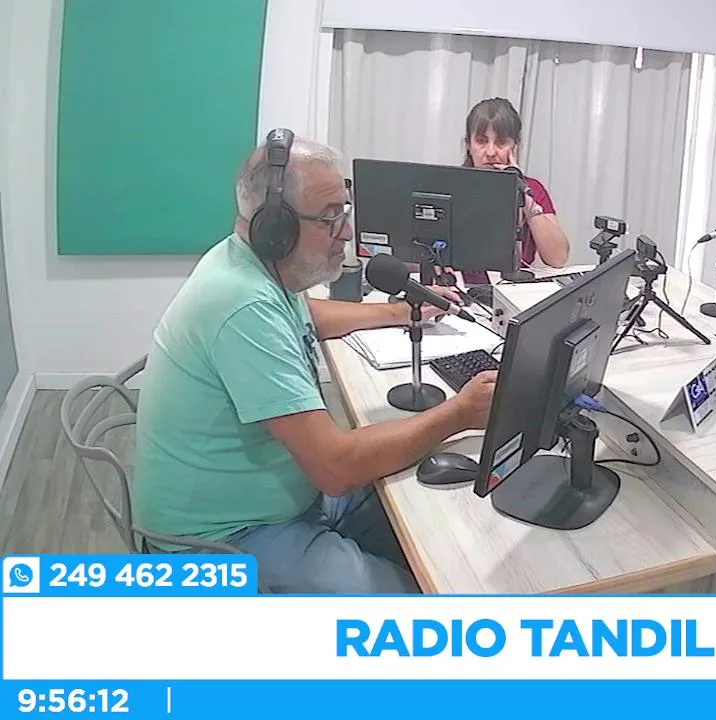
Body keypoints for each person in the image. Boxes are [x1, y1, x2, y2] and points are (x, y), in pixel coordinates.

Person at [131, 129, 497, 594]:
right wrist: (460, 413)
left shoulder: (251, 267)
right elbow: (335, 468)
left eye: (344, 212)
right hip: (223, 539)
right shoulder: (242, 305)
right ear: (277, 229)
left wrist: (397, 311)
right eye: (330, 218)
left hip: (288, 496)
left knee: (432, 527)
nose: (346, 232)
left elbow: (308, 314)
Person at [457, 97, 570, 289]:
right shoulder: (453, 187)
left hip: (514, 292)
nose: (490, 152)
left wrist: (525, 198)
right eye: (481, 141)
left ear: (515, 146)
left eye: (501, 142)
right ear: (469, 144)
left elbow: (558, 258)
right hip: (462, 294)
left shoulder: (533, 189)